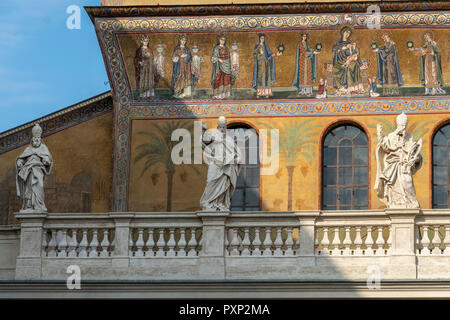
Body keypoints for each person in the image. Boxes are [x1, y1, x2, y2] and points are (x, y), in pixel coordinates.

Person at [375, 113, 422, 209]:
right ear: (398, 124)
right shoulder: (391, 136)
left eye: (404, 125)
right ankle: (397, 202)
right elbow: (386, 146)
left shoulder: (409, 137)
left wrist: (414, 158)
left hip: (404, 165)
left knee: (407, 182)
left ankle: (410, 201)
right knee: (393, 184)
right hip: (394, 165)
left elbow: (414, 150)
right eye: (401, 125)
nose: (403, 127)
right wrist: (379, 134)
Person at [200, 116, 241, 211]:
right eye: (220, 127)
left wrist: (232, 160)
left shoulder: (229, 140)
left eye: (224, 127)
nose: (222, 129)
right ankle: (208, 202)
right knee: (211, 181)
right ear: (217, 126)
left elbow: (238, 154)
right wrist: (203, 131)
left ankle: (219, 203)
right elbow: (204, 140)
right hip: (215, 162)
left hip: (225, 165)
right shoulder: (213, 135)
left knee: (224, 184)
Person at [16, 124, 53, 212]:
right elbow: (21, 158)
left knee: (39, 186)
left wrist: (46, 160)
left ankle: (38, 205)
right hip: (28, 171)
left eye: (38, 138)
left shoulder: (43, 148)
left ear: (40, 139)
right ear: (32, 139)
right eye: (35, 138)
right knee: (29, 188)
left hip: (38, 170)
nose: (36, 140)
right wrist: (19, 162)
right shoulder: (28, 149)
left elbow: (47, 158)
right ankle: (29, 205)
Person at [332, 26, 364, 96]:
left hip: (348, 60)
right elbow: (335, 51)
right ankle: (343, 88)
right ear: (343, 32)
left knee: (354, 65)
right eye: (346, 32)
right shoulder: (338, 43)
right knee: (347, 67)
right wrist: (344, 48)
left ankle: (354, 88)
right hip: (339, 61)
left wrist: (354, 48)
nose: (347, 34)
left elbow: (353, 53)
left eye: (349, 33)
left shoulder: (349, 43)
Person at [171, 34, 193, 98]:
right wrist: (180, 56)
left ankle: (185, 93)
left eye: (185, 40)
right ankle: (177, 93)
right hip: (179, 67)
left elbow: (190, 58)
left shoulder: (187, 49)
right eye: (182, 40)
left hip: (186, 67)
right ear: (180, 40)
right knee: (178, 78)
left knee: (186, 78)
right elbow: (174, 58)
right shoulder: (177, 49)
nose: (183, 41)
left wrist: (187, 56)